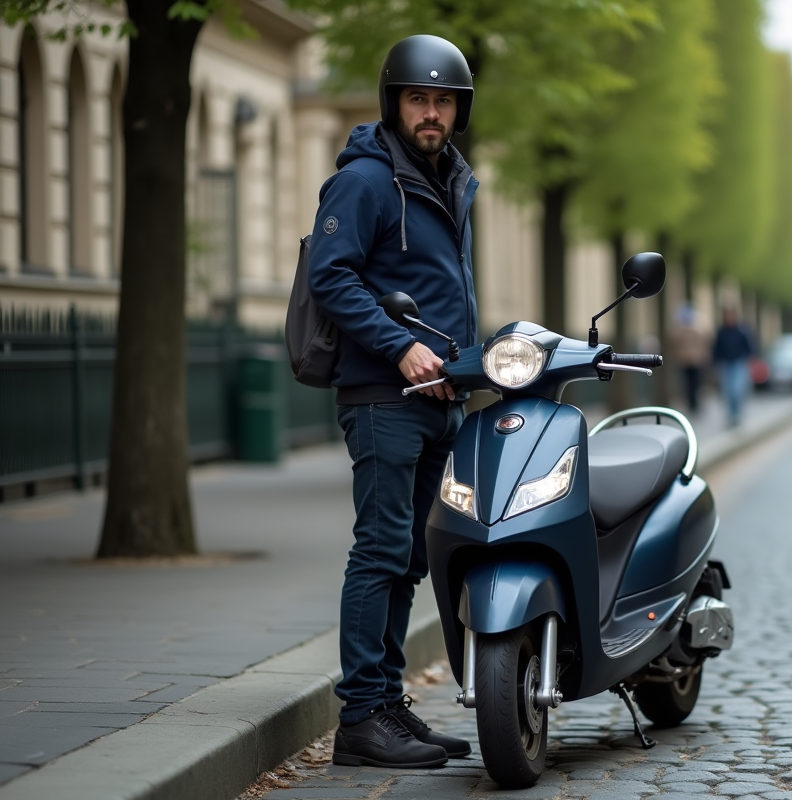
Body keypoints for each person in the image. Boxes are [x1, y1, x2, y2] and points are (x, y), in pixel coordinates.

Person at [307, 34, 477, 769]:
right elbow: (331, 275)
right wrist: (401, 347)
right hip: (385, 394)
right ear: (393, 103)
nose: (430, 112)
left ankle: (386, 702)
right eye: (417, 99)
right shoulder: (366, 180)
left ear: (458, 110)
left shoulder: (451, 178)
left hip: (441, 393)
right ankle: (359, 717)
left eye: (442, 101)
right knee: (380, 550)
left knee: (409, 556)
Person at [711, 306, 755, 427]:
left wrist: (751, 359)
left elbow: (749, 347)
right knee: (727, 392)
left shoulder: (741, 331)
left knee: (737, 390)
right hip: (725, 364)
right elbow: (716, 349)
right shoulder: (721, 332)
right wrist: (714, 364)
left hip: (738, 363)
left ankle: (737, 414)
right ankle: (731, 415)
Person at [668, 303, 710, 413]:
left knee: (693, 382)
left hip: (694, 360)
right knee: (689, 383)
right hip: (687, 360)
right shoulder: (684, 328)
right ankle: (692, 403)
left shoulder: (694, 327)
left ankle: (694, 403)